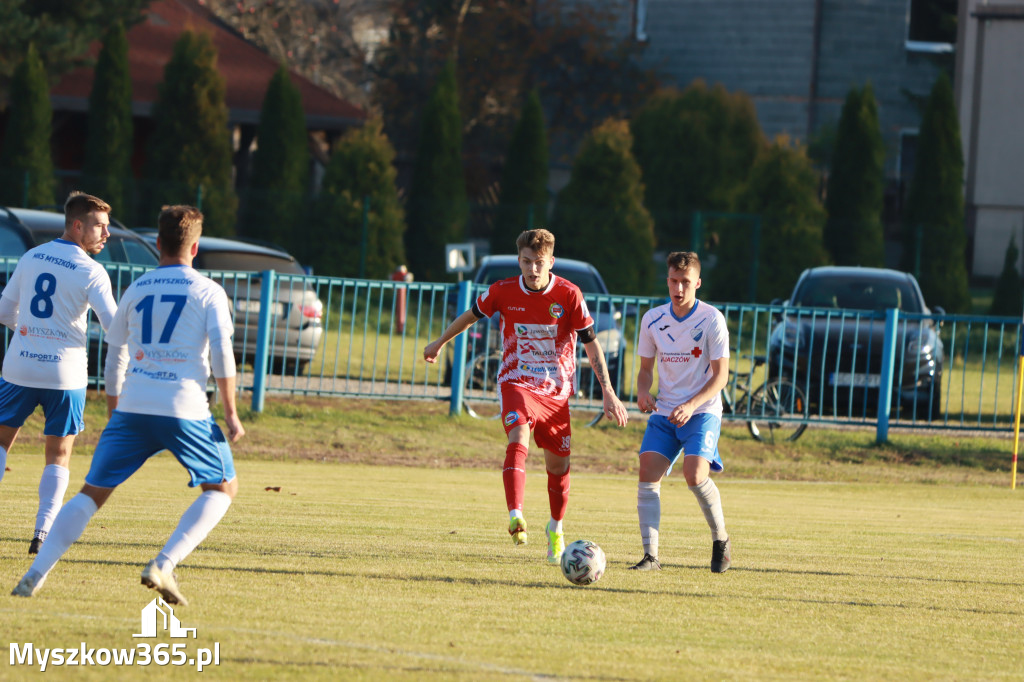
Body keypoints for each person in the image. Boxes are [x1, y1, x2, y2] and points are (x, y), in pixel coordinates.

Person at [13, 205, 245, 604]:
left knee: (90, 493)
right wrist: (231, 411)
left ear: (157, 245)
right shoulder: (208, 290)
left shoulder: (137, 289)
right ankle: (164, 564)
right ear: (195, 248)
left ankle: (35, 574)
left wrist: (115, 407)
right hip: (184, 408)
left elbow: (115, 351)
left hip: (133, 407)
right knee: (223, 488)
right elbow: (223, 354)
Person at [424, 229, 629, 565]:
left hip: (556, 393)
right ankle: (516, 515)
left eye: (539, 262)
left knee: (558, 467)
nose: (532, 269)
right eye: (526, 261)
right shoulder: (503, 291)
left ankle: (556, 528)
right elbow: (470, 316)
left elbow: (591, 343)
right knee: (518, 435)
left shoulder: (569, 294)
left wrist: (608, 392)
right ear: (519, 259)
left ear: (551, 261)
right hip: (516, 381)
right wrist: (440, 341)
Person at [0, 192, 118, 555]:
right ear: (77, 225)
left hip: (20, 365)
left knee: (1, 443)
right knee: (58, 455)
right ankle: (41, 532)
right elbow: (114, 329)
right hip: (64, 375)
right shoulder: (91, 270)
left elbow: (5, 312)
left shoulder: (32, 256)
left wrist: (29, 330)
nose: (106, 234)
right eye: (99, 226)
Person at [630, 251, 732, 573]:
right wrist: (644, 391)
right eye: (674, 281)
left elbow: (721, 377)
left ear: (698, 283)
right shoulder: (652, 319)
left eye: (686, 282)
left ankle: (721, 540)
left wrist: (691, 405)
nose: (679, 288)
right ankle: (651, 557)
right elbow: (645, 370)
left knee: (695, 475)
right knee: (647, 472)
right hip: (665, 412)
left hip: (702, 410)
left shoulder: (712, 319)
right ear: (668, 281)